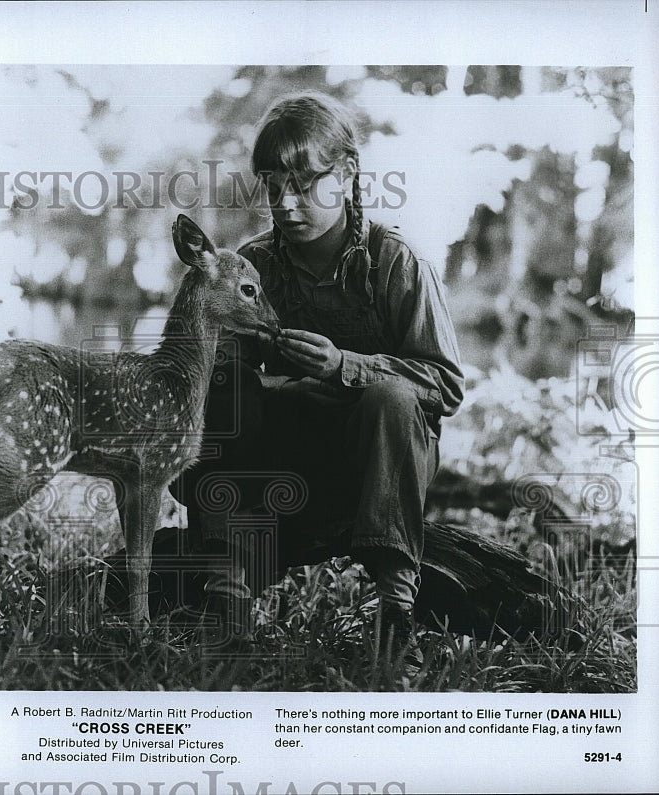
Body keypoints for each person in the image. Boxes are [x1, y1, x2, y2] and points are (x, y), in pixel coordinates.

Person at [173, 91, 464, 656]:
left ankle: (396, 608)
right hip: (284, 466)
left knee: (393, 400)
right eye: (273, 187)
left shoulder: (397, 263)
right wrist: (234, 365)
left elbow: (445, 385)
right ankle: (228, 593)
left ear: (348, 174)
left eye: (304, 185)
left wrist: (342, 366)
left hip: (374, 464)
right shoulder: (252, 266)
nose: (285, 203)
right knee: (222, 389)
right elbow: (208, 383)